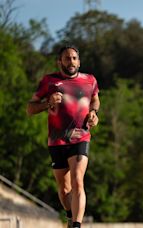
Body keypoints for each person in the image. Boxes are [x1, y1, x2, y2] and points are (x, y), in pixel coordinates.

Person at [26, 45, 100, 228]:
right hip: (57, 140)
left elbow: (95, 99)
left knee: (77, 181)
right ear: (60, 62)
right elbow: (30, 108)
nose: (71, 61)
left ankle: (76, 225)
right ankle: (69, 216)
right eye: (67, 58)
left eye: (74, 58)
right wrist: (47, 103)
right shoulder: (49, 81)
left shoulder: (89, 80)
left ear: (79, 61)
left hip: (81, 137)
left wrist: (93, 112)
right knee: (64, 188)